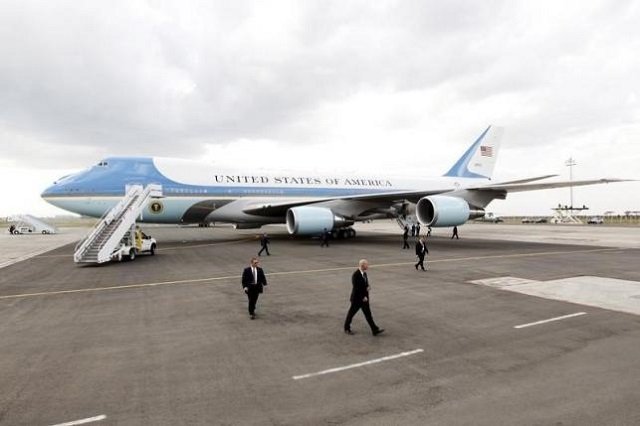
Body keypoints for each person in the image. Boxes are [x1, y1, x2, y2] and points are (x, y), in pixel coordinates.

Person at [344, 259, 384, 336]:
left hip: (364, 299)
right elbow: (356, 289)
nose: (368, 266)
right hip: (357, 299)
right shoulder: (356, 275)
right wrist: (363, 297)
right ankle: (346, 328)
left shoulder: (364, 274)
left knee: (368, 315)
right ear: (362, 265)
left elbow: (364, 285)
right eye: (367, 265)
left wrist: (367, 287)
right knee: (351, 314)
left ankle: (374, 329)